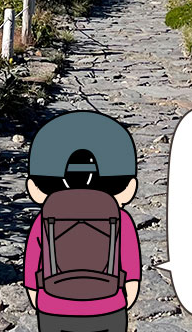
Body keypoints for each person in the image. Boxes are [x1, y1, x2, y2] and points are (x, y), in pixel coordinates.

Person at [23, 111, 142, 332]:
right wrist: (127, 294)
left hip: (53, 305)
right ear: (128, 188)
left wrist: (36, 296)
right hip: (109, 305)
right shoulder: (121, 217)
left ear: (35, 187)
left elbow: (32, 266)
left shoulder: (45, 216)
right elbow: (131, 266)